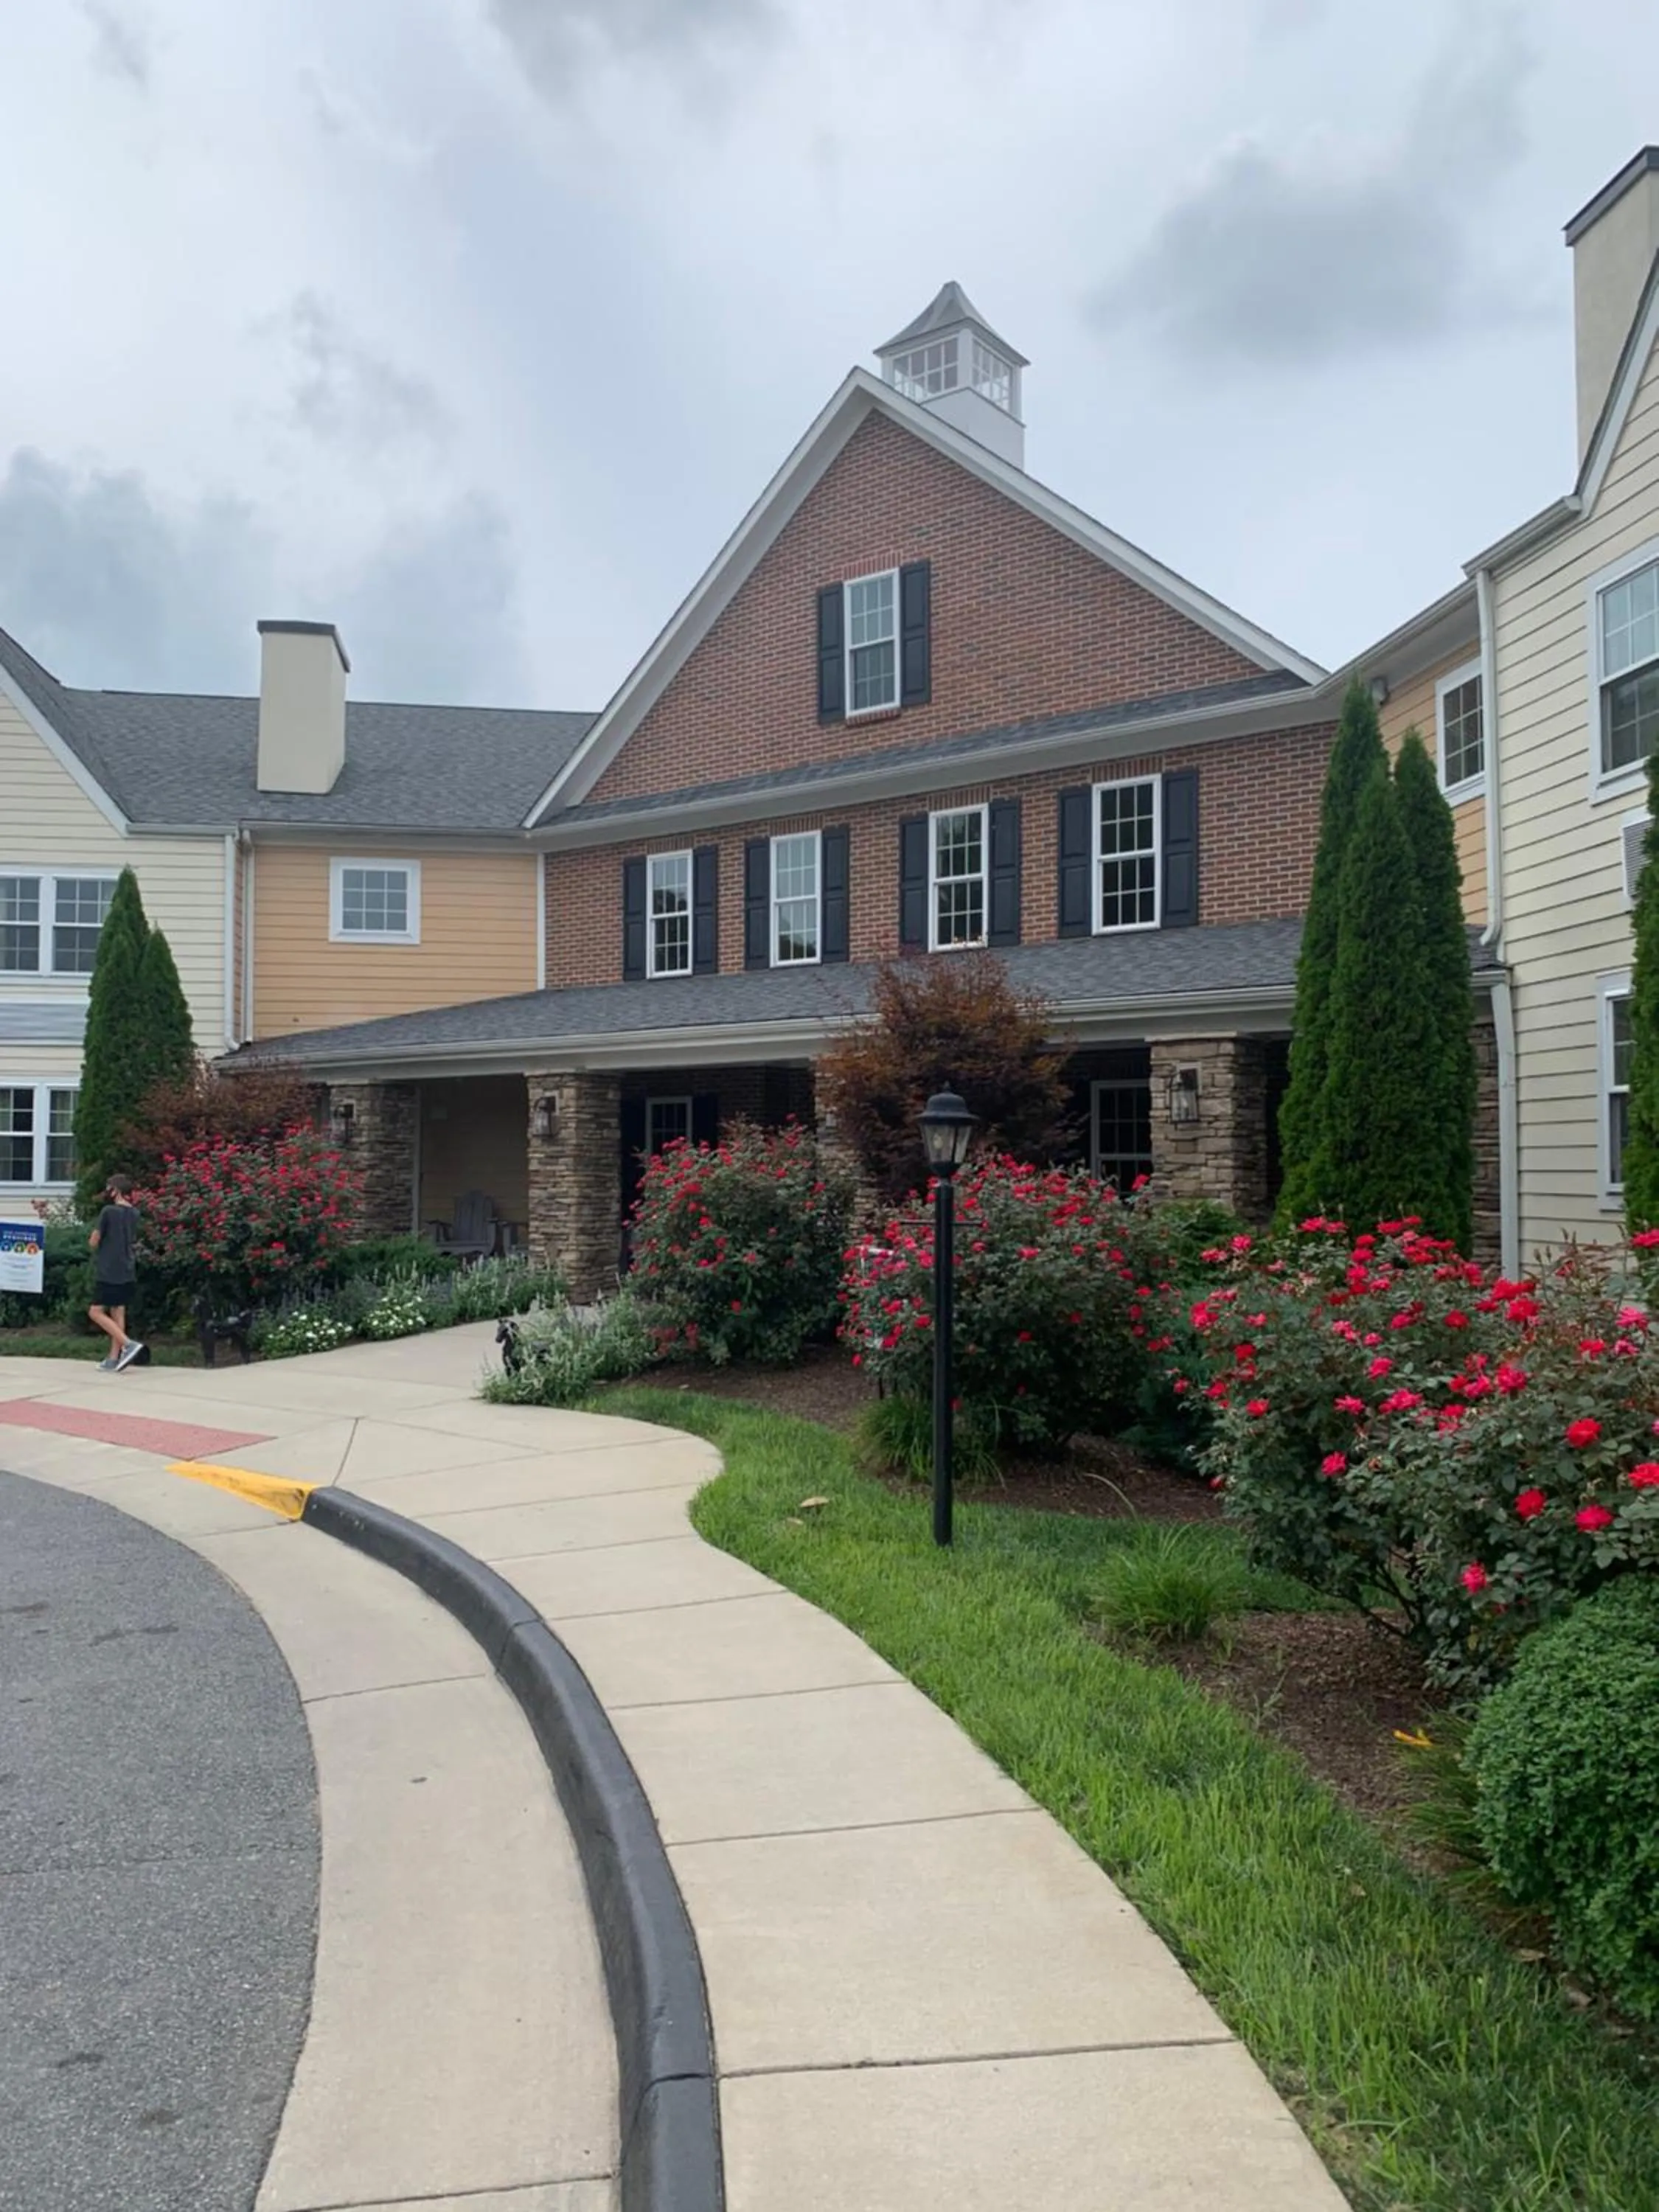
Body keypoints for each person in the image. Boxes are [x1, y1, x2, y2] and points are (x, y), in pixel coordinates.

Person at [88, 1175, 145, 1373]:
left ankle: (128, 1345)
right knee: (117, 1311)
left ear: (116, 1190)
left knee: (95, 1312)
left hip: (108, 1269)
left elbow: (94, 1241)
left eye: (109, 1187)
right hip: (127, 1268)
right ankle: (113, 1359)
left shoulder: (108, 1212)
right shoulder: (134, 1213)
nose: (107, 1191)